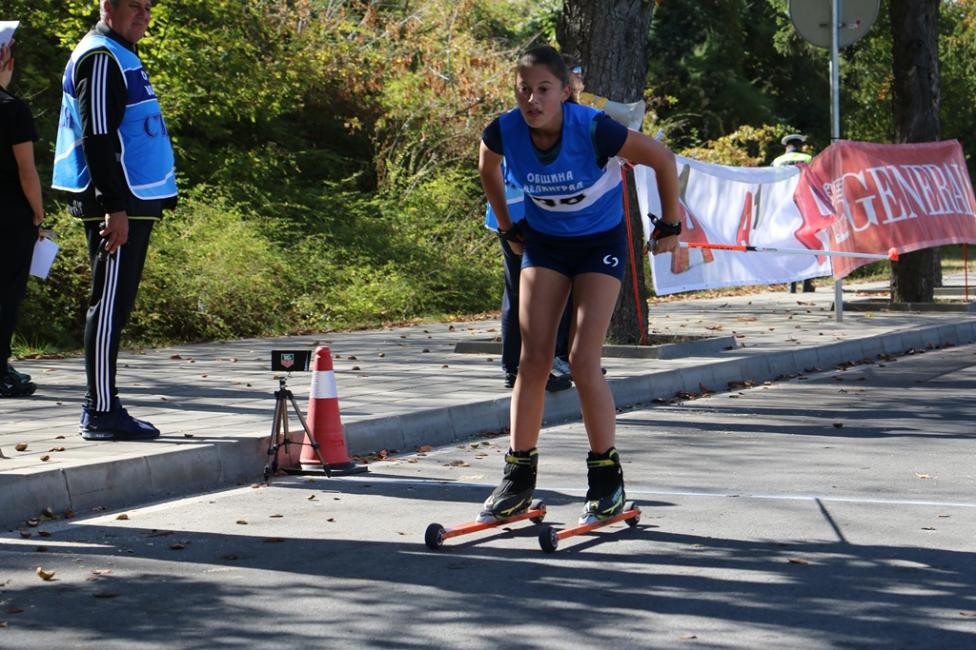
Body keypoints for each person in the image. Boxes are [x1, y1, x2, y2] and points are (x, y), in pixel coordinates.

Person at [477, 46, 681, 524]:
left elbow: (662, 159)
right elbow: (487, 168)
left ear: (565, 91)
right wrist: (507, 227)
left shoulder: (594, 128)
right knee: (533, 360)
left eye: (543, 89)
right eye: (524, 90)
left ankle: (606, 476)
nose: (532, 100)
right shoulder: (503, 130)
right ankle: (518, 477)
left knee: (584, 358)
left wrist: (670, 224)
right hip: (546, 243)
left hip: (598, 243)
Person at [52, 0, 177, 440]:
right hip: (118, 204)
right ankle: (100, 410)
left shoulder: (120, 52)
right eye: (134, 6)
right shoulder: (102, 57)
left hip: (133, 201)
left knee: (115, 307)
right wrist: (114, 206)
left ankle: (104, 406)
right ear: (108, 6)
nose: (144, 15)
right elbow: (98, 136)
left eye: (148, 7)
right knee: (107, 307)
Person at [0, 40, 43, 398]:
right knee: (6, 295)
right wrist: (38, 213)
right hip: (9, 218)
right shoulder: (13, 109)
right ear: (6, 60)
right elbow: (26, 170)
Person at [773, 133, 815, 293]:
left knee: (788, 241)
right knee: (807, 242)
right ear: (801, 145)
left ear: (786, 147)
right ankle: (807, 283)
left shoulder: (777, 161)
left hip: (784, 206)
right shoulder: (808, 158)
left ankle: (791, 283)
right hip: (805, 205)